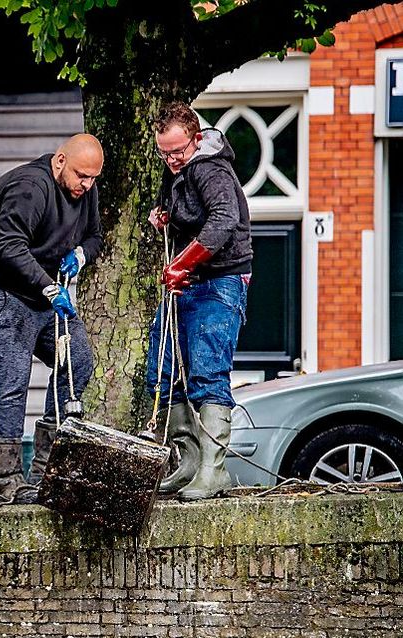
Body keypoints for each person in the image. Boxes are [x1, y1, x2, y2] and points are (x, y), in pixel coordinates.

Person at [0, 134, 104, 505]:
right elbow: (8, 247)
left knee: (78, 361)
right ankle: (6, 478)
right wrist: (50, 289)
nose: (86, 186)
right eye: (81, 176)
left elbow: (95, 235)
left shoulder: (86, 189)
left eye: (93, 179)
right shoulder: (29, 187)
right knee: (15, 365)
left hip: (38, 290)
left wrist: (81, 256)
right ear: (59, 161)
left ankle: (44, 471)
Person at [146, 102, 253, 501]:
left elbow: (223, 220)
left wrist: (182, 264)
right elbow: (182, 211)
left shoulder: (212, 169)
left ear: (196, 138)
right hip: (186, 284)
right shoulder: (176, 169)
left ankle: (213, 470)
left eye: (178, 151)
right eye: (165, 152)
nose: (172, 160)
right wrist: (164, 216)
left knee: (207, 373)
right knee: (163, 370)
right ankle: (186, 461)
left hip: (219, 281)